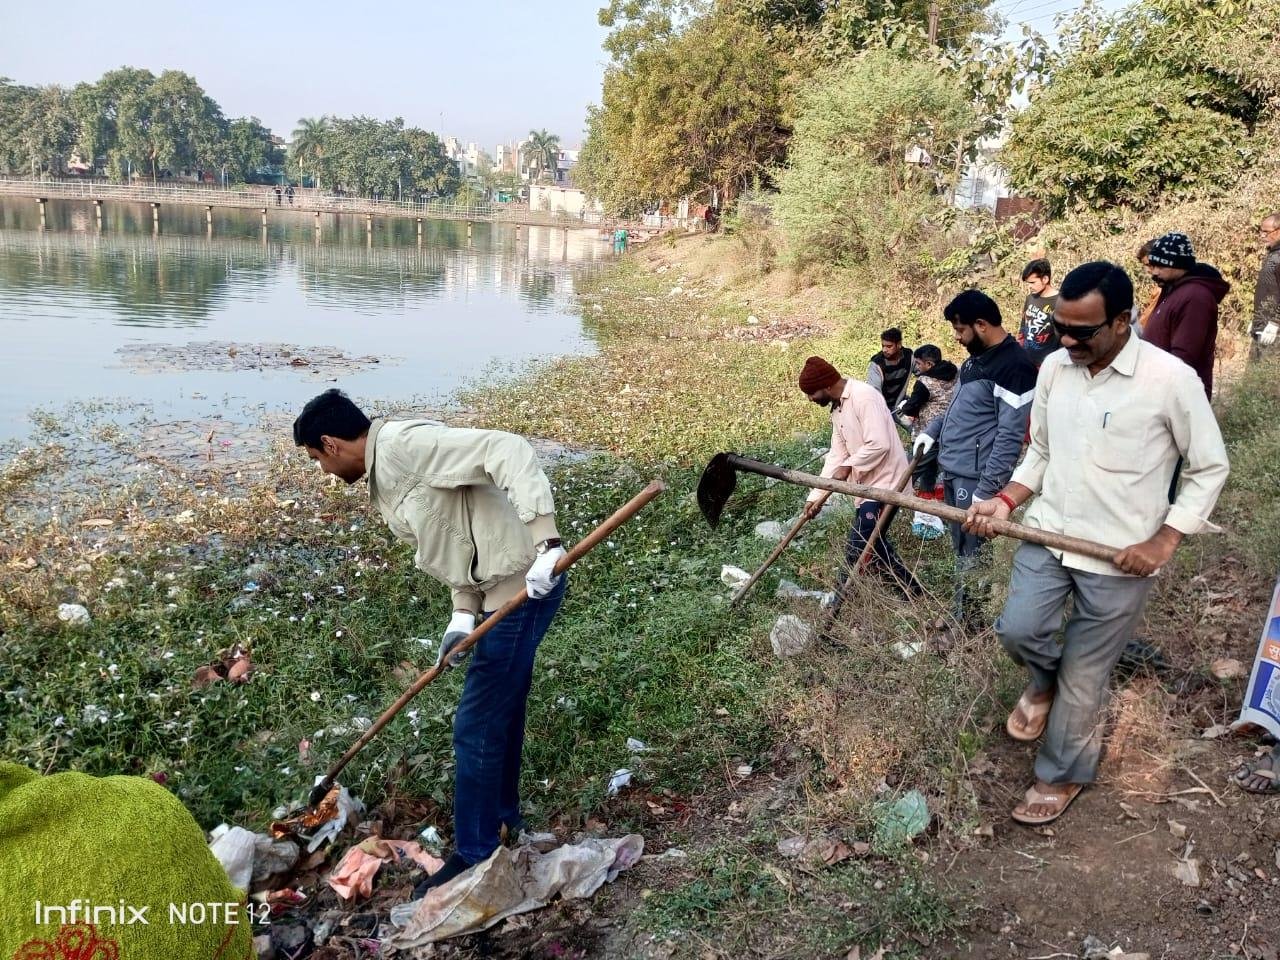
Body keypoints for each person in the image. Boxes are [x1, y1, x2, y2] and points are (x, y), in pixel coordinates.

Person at [964, 261, 1229, 826]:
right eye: (1060, 326)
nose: (1065, 341)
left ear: (1122, 321)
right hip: (1049, 530)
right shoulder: (1056, 368)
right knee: (1018, 628)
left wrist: (1165, 539)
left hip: (1120, 555)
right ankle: (1042, 685)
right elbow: (1040, 452)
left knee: (1086, 673)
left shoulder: (1170, 381)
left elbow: (1209, 467)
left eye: (1081, 331)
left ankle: (1059, 775)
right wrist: (1004, 501)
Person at [293, 389, 568, 895]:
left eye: (316, 459)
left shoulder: (403, 445)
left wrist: (548, 543)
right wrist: (462, 615)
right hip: (492, 596)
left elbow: (506, 448)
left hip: (527, 588)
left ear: (330, 444)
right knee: (499, 712)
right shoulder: (383, 473)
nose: (324, 472)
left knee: (475, 725)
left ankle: (475, 852)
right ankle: (506, 819)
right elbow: (456, 533)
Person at [914, 290, 1037, 627]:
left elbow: (1011, 436)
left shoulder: (1014, 366)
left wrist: (988, 490)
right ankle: (960, 614)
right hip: (954, 469)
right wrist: (933, 431)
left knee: (974, 554)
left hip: (976, 476)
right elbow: (956, 406)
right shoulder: (975, 359)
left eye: (960, 330)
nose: (956, 338)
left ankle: (971, 627)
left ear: (981, 325)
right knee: (960, 549)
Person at [798, 356, 922, 600]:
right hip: (866, 486)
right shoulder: (838, 408)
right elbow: (837, 455)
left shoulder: (864, 397)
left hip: (888, 482)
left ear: (825, 385)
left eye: (811, 393)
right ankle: (912, 593)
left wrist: (848, 466)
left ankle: (839, 600)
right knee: (873, 543)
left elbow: (879, 444)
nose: (810, 399)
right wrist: (817, 497)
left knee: (861, 542)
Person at [1143, 231, 1230, 398]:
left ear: (1179, 265)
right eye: (1152, 266)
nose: (1154, 272)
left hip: (1177, 396)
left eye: (1161, 266)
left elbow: (1184, 356)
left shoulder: (1195, 297)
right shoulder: (1173, 290)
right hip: (1160, 390)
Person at [894, 344, 957, 539]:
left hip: (926, 435)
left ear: (929, 364)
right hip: (949, 432)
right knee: (931, 471)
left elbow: (912, 408)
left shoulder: (925, 382)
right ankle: (927, 508)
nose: (917, 367)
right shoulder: (955, 374)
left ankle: (892, 504)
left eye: (919, 363)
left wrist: (905, 406)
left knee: (912, 471)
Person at [1017, 258, 1060, 366]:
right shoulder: (1030, 298)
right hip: (1026, 359)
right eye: (1028, 283)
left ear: (1045, 279)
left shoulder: (1060, 302)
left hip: (1046, 364)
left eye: (1032, 282)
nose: (1030, 286)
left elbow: (1063, 336)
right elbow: (1023, 324)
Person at [1251, 212, 1280, 359]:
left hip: (1274, 333)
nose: (1262, 236)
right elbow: (1267, 292)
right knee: (1253, 379)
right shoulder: (1272, 254)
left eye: (1266, 232)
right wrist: (1256, 320)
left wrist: (1275, 323)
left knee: (1268, 379)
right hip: (1262, 325)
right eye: (1261, 231)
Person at [867, 328, 914, 410]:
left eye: (889, 346)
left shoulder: (908, 356)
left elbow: (923, 374)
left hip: (899, 403)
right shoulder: (877, 364)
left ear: (899, 345)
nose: (884, 350)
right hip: (882, 406)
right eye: (883, 346)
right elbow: (874, 393)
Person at [1134, 239, 1160, 335]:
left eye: (1149, 265)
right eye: (1145, 265)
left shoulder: (1162, 291)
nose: (1147, 270)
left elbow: (1143, 325)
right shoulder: (1159, 289)